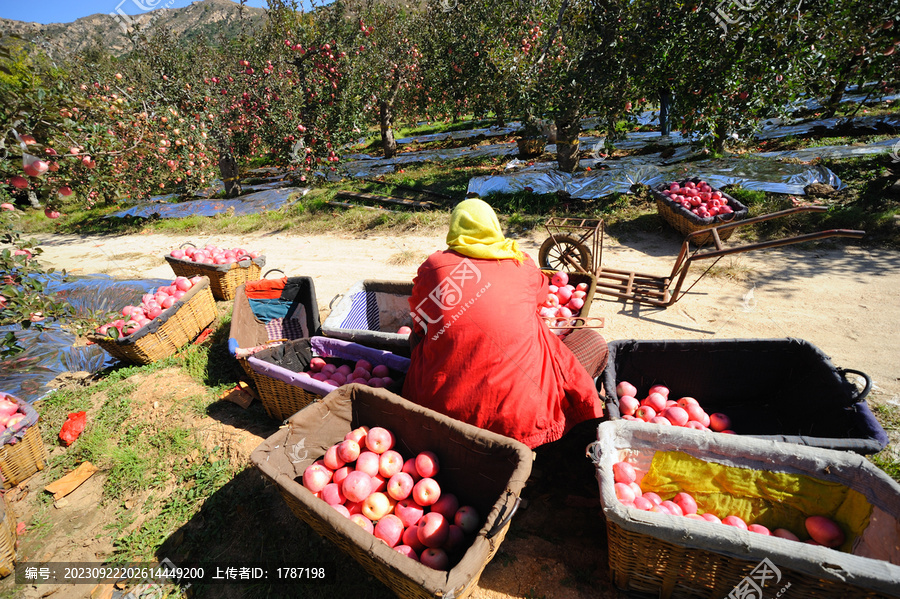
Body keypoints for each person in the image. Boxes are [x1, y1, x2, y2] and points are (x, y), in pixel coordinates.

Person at [401, 198, 608, 449]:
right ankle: (564, 432)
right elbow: (542, 297)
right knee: (592, 341)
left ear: (454, 229)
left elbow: (420, 322)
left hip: (440, 415)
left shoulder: (434, 267)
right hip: (519, 422)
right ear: (494, 227)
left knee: (418, 339)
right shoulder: (521, 262)